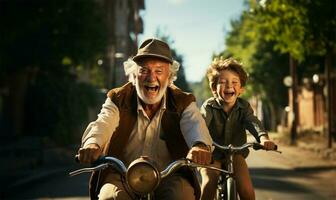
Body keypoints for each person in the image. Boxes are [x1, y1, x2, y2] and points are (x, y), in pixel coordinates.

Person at [77, 38, 213, 200]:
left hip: (169, 175)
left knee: (181, 196)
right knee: (110, 197)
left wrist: (199, 146)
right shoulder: (119, 97)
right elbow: (104, 122)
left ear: (169, 76)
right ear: (134, 75)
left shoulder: (182, 101)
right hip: (123, 174)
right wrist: (93, 143)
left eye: (159, 71)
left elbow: (194, 124)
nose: (151, 77)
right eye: (144, 70)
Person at [199, 57, 277, 200]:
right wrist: (200, 145)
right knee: (209, 183)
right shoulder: (209, 106)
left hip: (236, 153)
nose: (229, 86)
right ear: (213, 88)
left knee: (247, 190)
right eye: (222, 82)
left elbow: (252, 122)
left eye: (234, 82)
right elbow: (201, 124)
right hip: (211, 155)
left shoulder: (244, 107)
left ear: (241, 89)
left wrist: (263, 138)